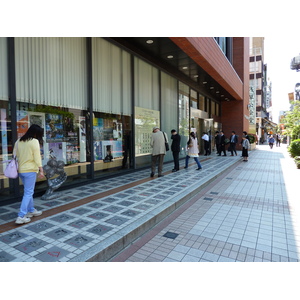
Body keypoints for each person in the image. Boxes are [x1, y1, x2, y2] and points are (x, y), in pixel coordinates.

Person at [14, 124, 45, 224]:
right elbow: (37, 157)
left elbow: (14, 155)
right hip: (30, 170)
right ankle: (21, 215)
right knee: (28, 193)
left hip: (21, 170)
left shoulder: (19, 141)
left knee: (28, 191)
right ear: (35, 133)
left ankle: (31, 210)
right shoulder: (34, 141)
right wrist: (41, 170)